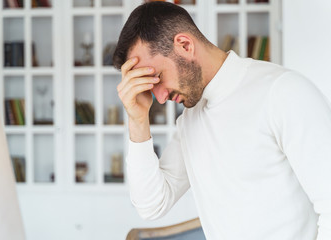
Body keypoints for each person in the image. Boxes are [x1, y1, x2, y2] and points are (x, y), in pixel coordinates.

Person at [113, 2, 331, 240]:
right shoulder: (190, 119)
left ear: (185, 45)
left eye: (158, 78)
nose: (161, 98)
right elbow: (151, 206)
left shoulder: (283, 92)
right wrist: (137, 120)